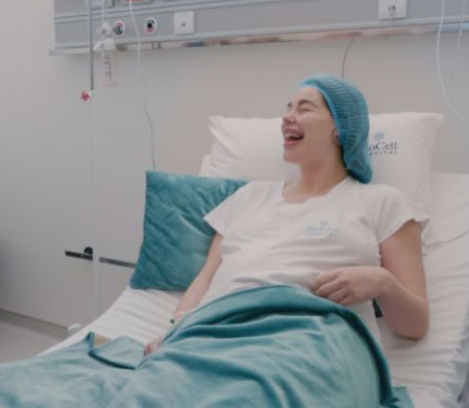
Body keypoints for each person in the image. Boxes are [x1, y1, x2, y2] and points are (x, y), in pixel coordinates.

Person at [145, 74, 429, 355]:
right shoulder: (249, 197)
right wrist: (176, 328)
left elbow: (415, 326)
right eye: (288, 108)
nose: (287, 117)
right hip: (214, 333)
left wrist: (383, 283)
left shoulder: (381, 201)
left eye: (304, 108)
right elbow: (207, 277)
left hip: (312, 342)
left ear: (340, 129)